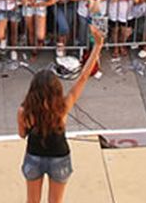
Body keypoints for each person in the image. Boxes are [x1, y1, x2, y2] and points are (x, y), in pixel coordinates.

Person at [18, 25, 104, 203]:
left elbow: (22, 134)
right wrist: (98, 45)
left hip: (34, 154)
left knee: (32, 201)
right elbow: (83, 76)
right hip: (59, 156)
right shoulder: (63, 105)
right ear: (56, 90)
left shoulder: (24, 110)